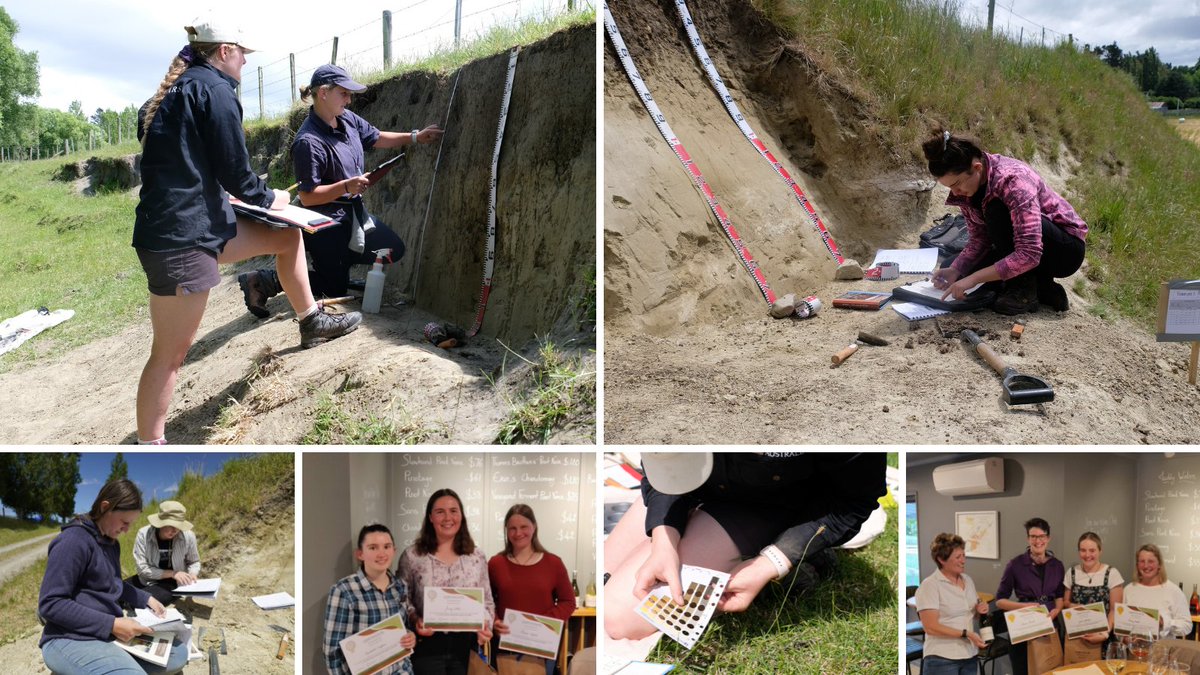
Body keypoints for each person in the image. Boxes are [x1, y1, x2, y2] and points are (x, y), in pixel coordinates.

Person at [133, 19, 361, 445]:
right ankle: (152, 444)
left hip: (184, 222)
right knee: (169, 355)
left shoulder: (163, 97)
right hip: (183, 238)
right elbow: (235, 171)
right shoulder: (217, 91)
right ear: (224, 51)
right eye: (242, 54)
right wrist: (266, 196)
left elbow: (185, 160)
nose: (243, 61)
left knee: (285, 237)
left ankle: (311, 322)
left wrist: (230, 194)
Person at [603, 452, 886, 640]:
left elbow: (852, 500)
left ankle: (794, 555)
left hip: (764, 503)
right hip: (688, 482)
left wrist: (771, 563)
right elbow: (659, 467)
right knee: (603, 579)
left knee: (620, 619)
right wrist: (664, 540)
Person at [237, 64, 445, 314]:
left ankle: (337, 266)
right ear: (323, 93)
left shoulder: (347, 118)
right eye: (344, 93)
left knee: (392, 249)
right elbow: (307, 197)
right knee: (334, 289)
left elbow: (376, 137)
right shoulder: (308, 142)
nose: (349, 99)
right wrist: (346, 185)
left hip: (353, 216)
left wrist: (414, 137)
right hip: (323, 224)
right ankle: (264, 279)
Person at [922, 129, 1088, 315]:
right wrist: (955, 269)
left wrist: (975, 278)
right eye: (950, 187)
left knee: (996, 211)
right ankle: (1044, 288)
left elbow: (1029, 252)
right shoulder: (968, 189)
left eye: (957, 184)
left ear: (977, 168)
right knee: (952, 269)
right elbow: (980, 239)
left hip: (1064, 250)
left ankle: (1023, 289)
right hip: (1021, 244)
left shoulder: (1013, 181)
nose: (955, 192)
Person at [38, 479, 189, 675]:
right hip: (69, 636)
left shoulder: (112, 544)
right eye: (124, 522)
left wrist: (147, 598)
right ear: (105, 507)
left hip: (107, 631)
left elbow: (114, 583)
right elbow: (51, 604)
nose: (126, 530)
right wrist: (112, 624)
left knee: (178, 655)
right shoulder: (73, 541)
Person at [397, 489, 494, 675]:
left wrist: (485, 627)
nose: (447, 517)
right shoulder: (412, 556)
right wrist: (416, 620)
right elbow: (403, 599)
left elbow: (487, 600)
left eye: (453, 511)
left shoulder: (476, 556)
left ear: (461, 516)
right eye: (440, 511)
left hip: (466, 646)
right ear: (430, 517)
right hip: (426, 647)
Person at [489, 504, 576, 675]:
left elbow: (568, 602)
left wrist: (544, 622)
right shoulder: (496, 564)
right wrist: (494, 620)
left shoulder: (553, 563)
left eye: (524, 527)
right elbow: (487, 601)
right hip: (506, 645)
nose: (518, 533)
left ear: (534, 527)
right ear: (506, 531)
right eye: (512, 528)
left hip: (542, 645)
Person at [324, 523, 418, 675]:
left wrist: (410, 636)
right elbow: (333, 652)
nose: (381, 553)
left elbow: (405, 627)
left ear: (394, 551)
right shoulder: (344, 591)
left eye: (387, 547)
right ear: (360, 554)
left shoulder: (400, 586)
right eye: (373, 548)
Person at [994, 517, 1065, 675]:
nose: (1037, 540)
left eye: (1041, 536)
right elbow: (1000, 601)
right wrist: (1024, 606)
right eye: (1033, 536)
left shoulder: (1057, 565)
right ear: (1028, 538)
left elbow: (1060, 595)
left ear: (1048, 538)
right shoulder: (1015, 565)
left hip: (1050, 625)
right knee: (1023, 670)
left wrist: (1057, 610)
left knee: (1051, 670)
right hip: (1023, 628)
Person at [915, 533, 990, 675]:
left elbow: (972, 616)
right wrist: (966, 634)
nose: (963, 560)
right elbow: (931, 627)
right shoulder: (930, 585)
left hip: (969, 654)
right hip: (942, 658)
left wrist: (980, 611)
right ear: (941, 559)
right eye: (958, 557)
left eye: (963, 555)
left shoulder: (967, 580)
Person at [128, 501, 201, 607]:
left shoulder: (188, 536)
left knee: (146, 600)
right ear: (160, 523)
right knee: (115, 590)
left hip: (173, 583)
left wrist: (193, 573)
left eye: (179, 525)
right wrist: (173, 573)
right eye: (171, 525)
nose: (175, 530)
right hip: (147, 578)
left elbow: (194, 561)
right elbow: (142, 569)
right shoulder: (143, 534)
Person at [1061, 532, 1122, 648]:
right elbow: (1065, 602)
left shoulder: (1112, 574)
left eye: (1092, 550)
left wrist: (1104, 634)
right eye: (1083, 550)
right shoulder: (1071, 573)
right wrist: (1071, 605)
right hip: (1077, 638)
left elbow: (1115, 610)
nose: (1087, 554)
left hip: (1102, 638)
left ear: (1100, 551)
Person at [1122, 544, 1191, 638]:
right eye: (1142, 561)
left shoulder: (1173, 591)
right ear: (1137, 565)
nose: (1146, 566)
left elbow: (1187, 626)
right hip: (1134, 651)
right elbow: (1121, 624)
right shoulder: (1128, 589)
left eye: (1151, 561)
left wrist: (1165, 623)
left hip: (1164, 650)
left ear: (1159, 565)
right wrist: (1124, 639)